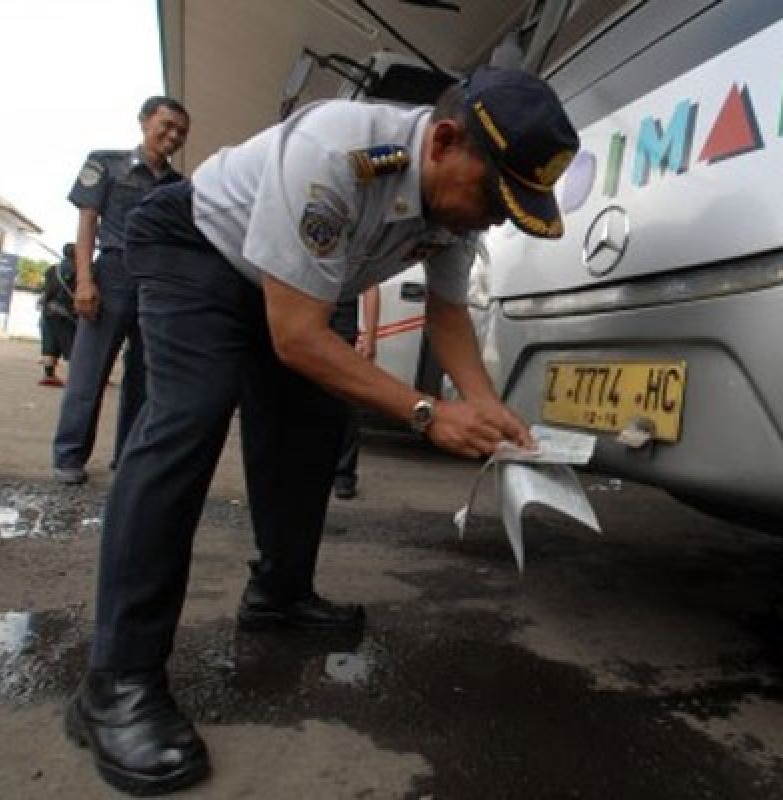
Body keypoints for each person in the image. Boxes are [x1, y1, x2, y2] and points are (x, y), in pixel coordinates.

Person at [64, 66, 578, 794]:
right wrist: (427, 413)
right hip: (200, 247)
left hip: (304, 279)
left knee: (308, 433)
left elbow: (449, 310)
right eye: (495, 197)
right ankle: (114, 683)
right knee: (187, 422)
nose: (495, 218)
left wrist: (485, 402)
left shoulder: (451, 204)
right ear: (444, 141)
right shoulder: (341, 153)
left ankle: (279, 595)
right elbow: (297, 337)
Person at [51, 96, 191, 485]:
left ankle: (128, 458)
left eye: (181, 132)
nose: (173, 136)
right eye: (167, 126)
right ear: (144, 122)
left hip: (157, 283)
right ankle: (69, 455)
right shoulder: (106, 163)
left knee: (144, 375)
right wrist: (84, 280)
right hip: (111, 273)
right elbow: (87, 224)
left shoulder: (180, 186)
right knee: (89, 370)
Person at [332, 284, 380, 499]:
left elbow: (370, 286)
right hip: (309, 308)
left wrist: (370, 338)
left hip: (342, 318)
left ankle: (344, 472)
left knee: (346, 397)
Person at [37, 243, 78, 387]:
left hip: (49, 311)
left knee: (49, 343)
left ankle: (49, 375)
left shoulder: (52, 269)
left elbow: (46, 290)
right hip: (68, 314)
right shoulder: (82, 270)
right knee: (74, 345)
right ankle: (77, 379)